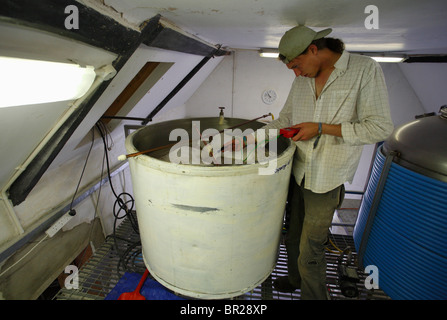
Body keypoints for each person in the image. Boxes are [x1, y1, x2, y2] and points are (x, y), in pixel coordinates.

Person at [259, 25, 394, 299]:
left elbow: (380, 128)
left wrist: (321, 128)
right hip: (297, 171)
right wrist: (248, 139)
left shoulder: (364, 70)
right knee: (293, 236)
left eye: (297, 66)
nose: (297, 74)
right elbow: (285, 119)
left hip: (327, 179)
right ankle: (294, 280)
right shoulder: (303, 79)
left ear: (313, 50)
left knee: (311, 248)